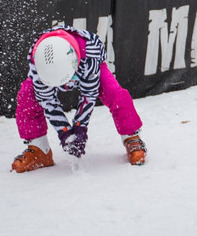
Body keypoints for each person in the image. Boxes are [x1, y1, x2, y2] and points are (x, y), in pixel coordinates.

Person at [10, 25, 146, 172]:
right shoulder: (38, 63)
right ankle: (39, 149)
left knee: (114, 92)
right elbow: (47, 100)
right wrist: (64, 132)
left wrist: (80, 126)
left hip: (85, 59)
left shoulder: (90, 55)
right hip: (54, 70)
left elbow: (89, 94)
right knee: (26, 94)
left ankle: (131, 137)